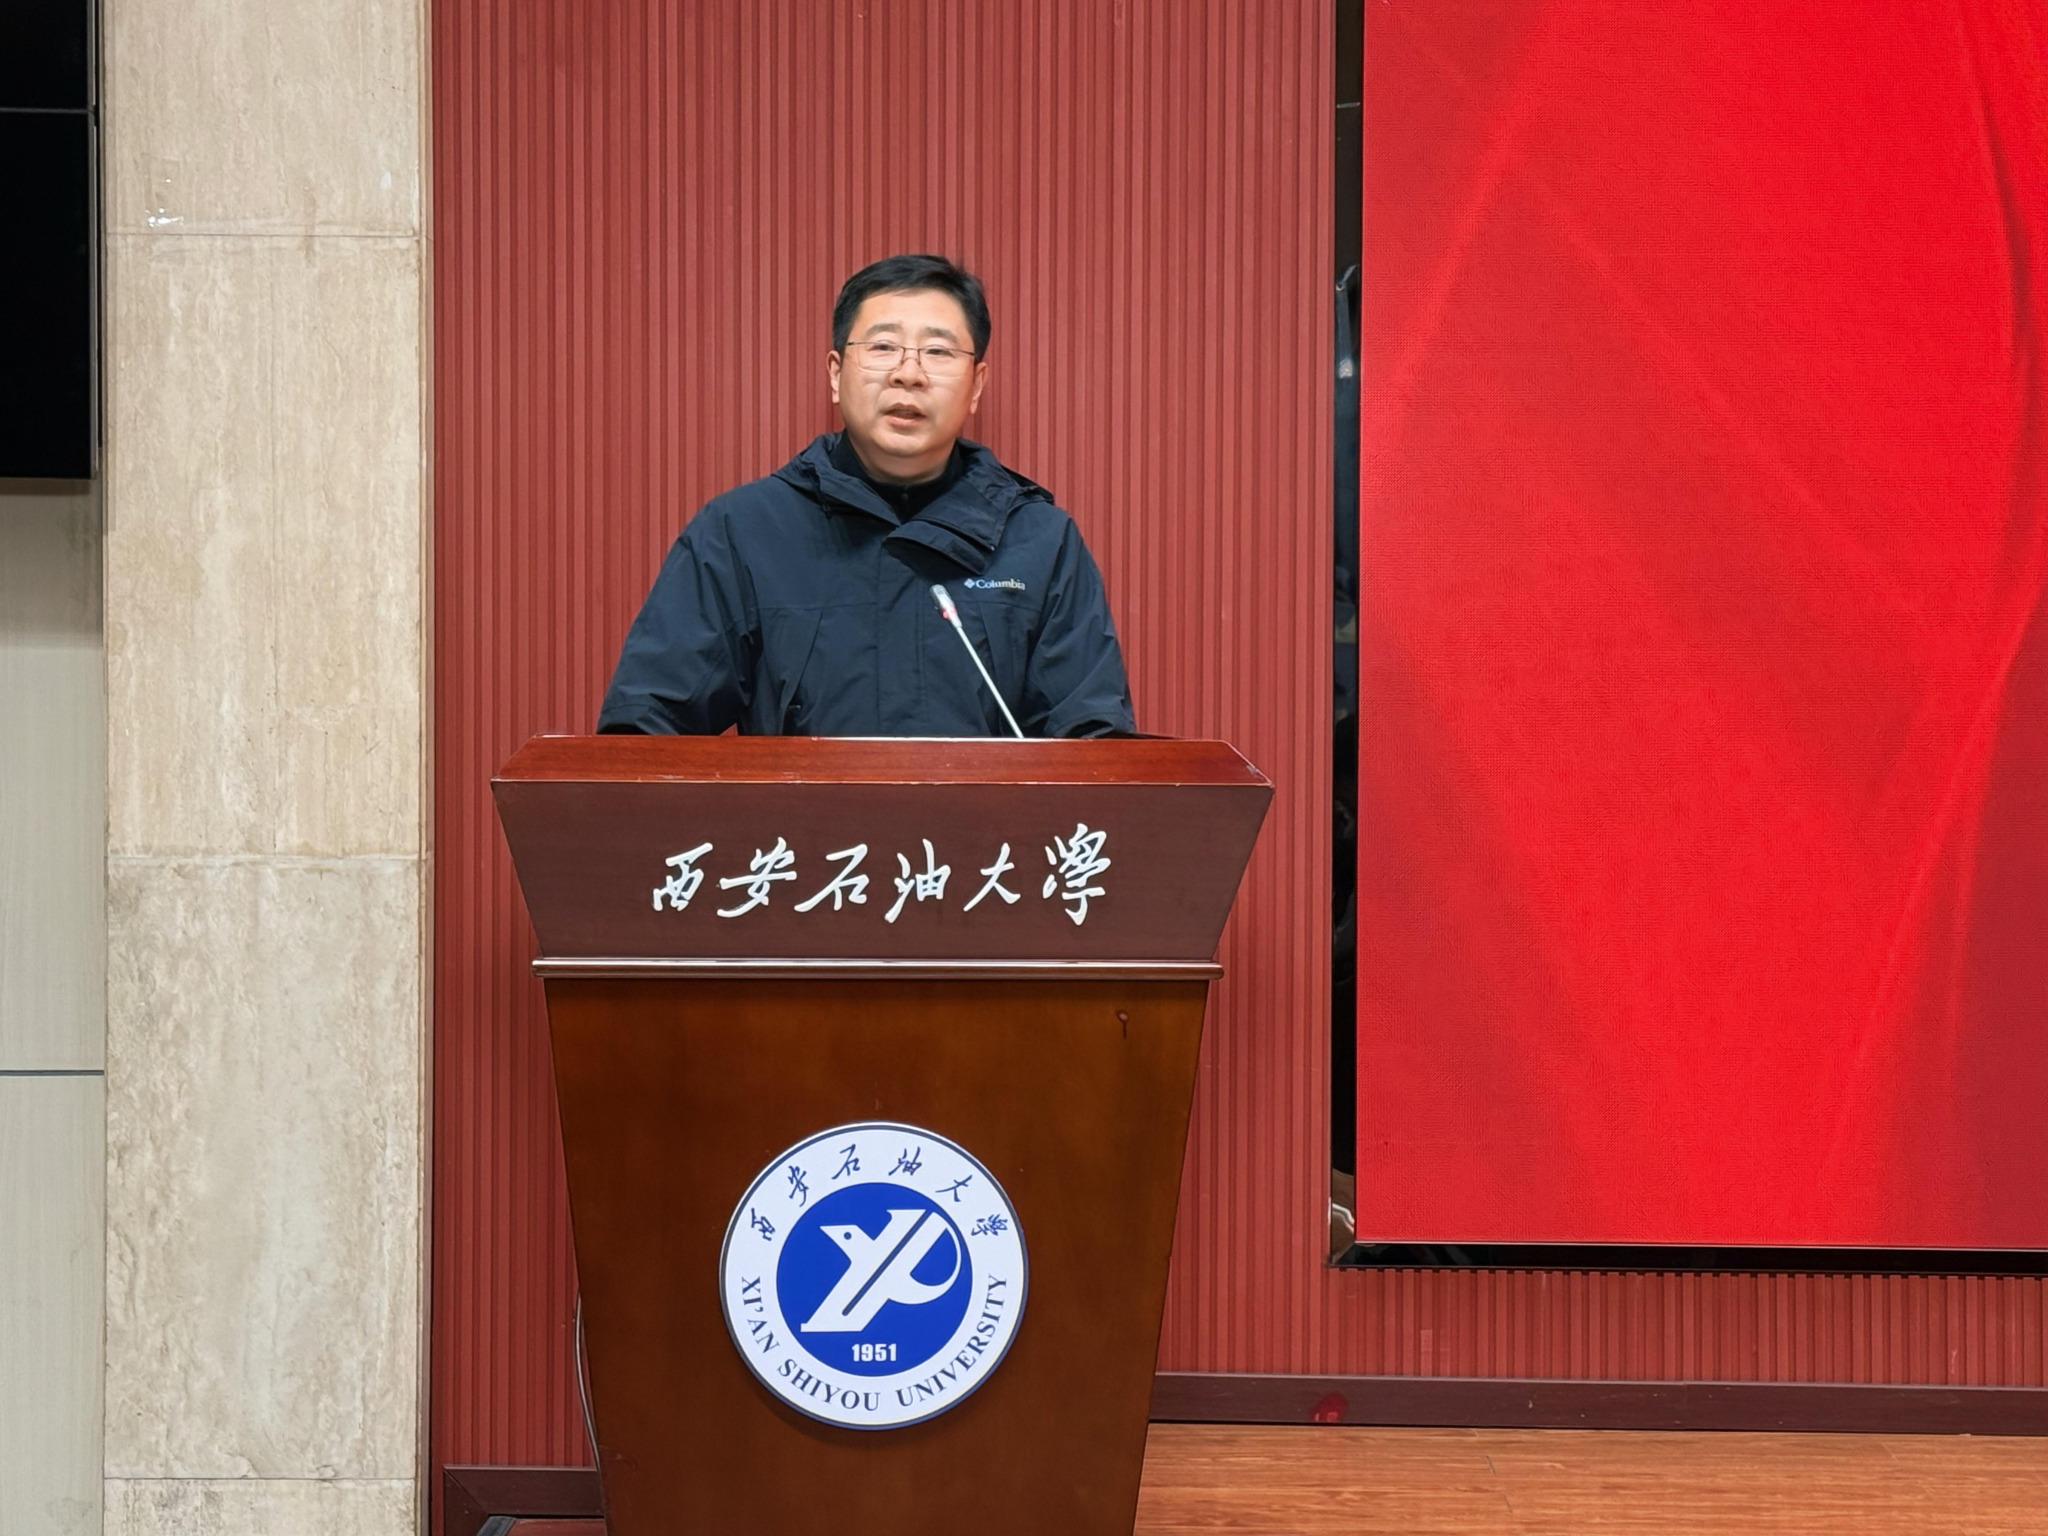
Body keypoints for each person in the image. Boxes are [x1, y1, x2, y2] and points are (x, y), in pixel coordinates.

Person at [597, 253, 1134, 737]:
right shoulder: (743, 532)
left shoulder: (1039, 541)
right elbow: (646, 730)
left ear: (975, 385)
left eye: (938, 351)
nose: (909, 374)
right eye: (882, 347)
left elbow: (1094, 748)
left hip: (982, 825)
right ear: (836, 374)